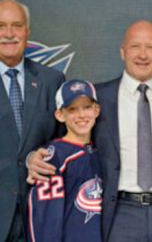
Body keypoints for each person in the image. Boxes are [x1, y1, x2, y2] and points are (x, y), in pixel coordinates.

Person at [28, 20, 152, 242]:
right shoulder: (99, 97)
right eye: (135, 46)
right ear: (122, 52)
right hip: (120, 213)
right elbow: (65, 137)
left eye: (150, 47)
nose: (143, 55)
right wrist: (33, 156)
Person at [0, 0, 64, 242]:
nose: (8, 34)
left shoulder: (52, 80)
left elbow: (62, 142)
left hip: (38, 214)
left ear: (28, 32)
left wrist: (37, 157)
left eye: (16, 25)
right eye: (1, 26)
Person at [28, 79, 102, 242]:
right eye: (72, 109)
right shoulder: (53, 157)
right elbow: (45, 219)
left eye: (87, 107)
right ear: (60, 115)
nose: (81, 115)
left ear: (96, 110)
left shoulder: (102, 152)